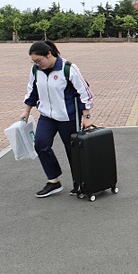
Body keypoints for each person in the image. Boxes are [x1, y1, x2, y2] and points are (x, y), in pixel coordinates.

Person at [21, 41, 94, 198]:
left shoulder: (68, 68)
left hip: (68, 117)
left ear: (49, 54)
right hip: (47, 116)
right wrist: (26, 111)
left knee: (73, 150)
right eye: (34, 62)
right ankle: (53, 181)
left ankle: (80, 182)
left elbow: (85, 93)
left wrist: (86, 117)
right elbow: (32, 90)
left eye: (39, 61)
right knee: (40, 144)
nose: (37, 64)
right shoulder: (36, 70)